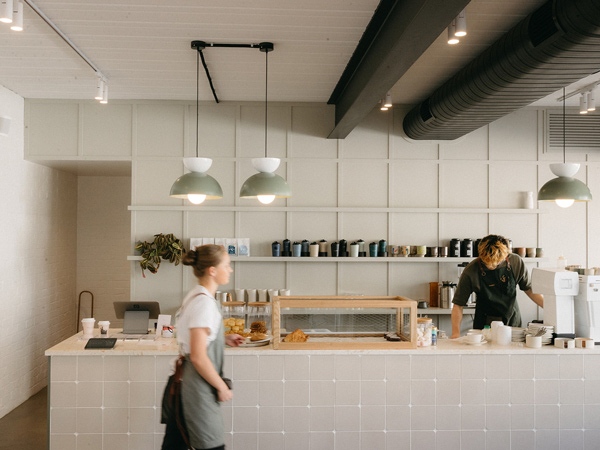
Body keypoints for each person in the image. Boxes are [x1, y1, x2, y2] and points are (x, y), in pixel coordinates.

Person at [163, 244, 245, 450]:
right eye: (227, 265)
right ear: (212, 271)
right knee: (210, 445)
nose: (230, 270)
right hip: (195, 387)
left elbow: (194, 339)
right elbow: (198, 357)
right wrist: (221, 386)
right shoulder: (204, 303)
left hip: (185, 383)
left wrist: (222, 338)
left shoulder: (196, 295)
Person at [451, 234, 543, 339]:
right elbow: (458, 305)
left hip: (512, 323)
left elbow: (530, 290)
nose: (491, 266)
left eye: (497, 263)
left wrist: (549, 307)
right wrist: (455, 333)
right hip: (484, 326)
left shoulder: (515, 262)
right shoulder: (471, 270)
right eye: (487, 263)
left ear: (506, 256)